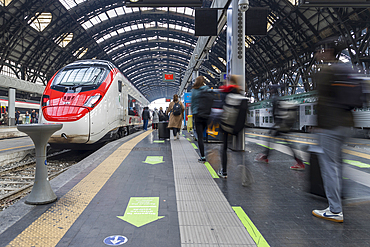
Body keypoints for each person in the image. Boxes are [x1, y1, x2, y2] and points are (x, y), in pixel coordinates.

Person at [311, 41, 354, 223]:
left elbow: (321, 101)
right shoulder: (347, 70)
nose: (317, 54)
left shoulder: (327, 72)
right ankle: (338, 201)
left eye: (319, 50)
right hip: (346, 124)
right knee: (337, 164)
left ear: (326, 51)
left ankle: (335, 209)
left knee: (329, 167)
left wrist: (318, 124)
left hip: (330, 126)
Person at [255, 86, 305, 170]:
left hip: (280, 125)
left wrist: (276, 126)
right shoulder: (278, 98)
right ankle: (299, 161)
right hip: (282, 124)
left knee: (274, 141)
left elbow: (276, 114)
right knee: (287, 143)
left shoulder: (274, 99)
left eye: (270, 89)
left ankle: (265, 157)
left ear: (272, 90)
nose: (268, 91)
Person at [217, 75, 242, 178]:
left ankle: (224, 172)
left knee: (224, 148)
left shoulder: (224, 92)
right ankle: (243, 168)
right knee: (238, 148)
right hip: (237, 124)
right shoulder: (239, 92)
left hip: (225, 123)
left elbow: (220, 107)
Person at [191, 76, 210, 162]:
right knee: (206, 134)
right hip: (207, 115)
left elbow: (193, 105)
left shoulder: (194, 91)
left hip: (198, 115)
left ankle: (202, 156)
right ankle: (209, 151)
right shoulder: (207, 89)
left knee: (200, 137)